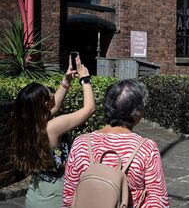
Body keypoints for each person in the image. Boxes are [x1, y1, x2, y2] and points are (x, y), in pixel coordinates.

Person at [62, 79, 169, 207]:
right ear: (136, 113)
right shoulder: (147, 148)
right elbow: (158, 200)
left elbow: (69, 195)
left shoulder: (81, 142)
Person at [13, 56, 95, 207]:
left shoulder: (29, 123)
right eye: (49, 92)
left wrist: (67, 80)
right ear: (43, 104)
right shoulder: (52, 127)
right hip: (55, 197)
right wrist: (85, 79)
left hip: (36, 193)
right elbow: (89, 109)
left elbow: (54, 106)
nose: (52, 93)